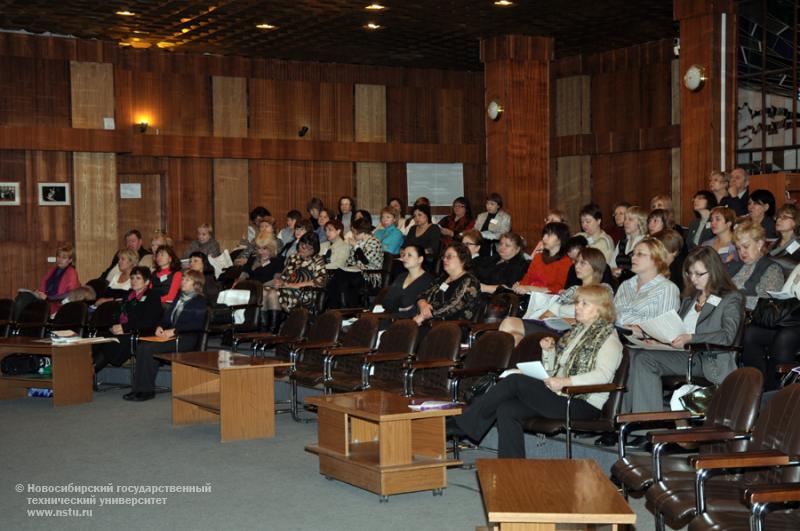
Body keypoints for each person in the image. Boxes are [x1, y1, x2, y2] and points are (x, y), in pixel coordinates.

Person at [447, 285, 623, 458]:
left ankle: (464, 424)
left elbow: (603, 375)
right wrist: (549, 352)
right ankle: (511, 469)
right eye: (578, 303)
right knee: (507, 408)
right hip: (561, 395)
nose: (577, 307)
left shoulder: (609, 338)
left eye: (585, 304)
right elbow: (554, 370)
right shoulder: (575, 333)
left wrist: (565, 382)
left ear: (600, 309)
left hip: (582, 404)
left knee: (514, 381)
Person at [625, 246, 744, 414]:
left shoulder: (730, 298)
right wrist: (657, 339)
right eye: (690, 273)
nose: (693, 279)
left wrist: (691, 338)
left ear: (714, 271)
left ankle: (647, 424)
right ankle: (627, 420)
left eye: (698, 274)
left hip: (707, 359)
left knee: (644, 359)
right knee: (632, 354)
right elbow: (676, 329)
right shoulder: (690, 299)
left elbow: (727, 336)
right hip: (684, 354)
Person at [123, 270, 207, 402]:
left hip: (186, 339)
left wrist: (174, 331)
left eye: (187, 280)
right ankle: (138, 389)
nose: (182, 282)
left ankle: (146, 391)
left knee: (149, 349)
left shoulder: (199, 301)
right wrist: (160, 327)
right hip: (172, 337)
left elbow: (196, 324)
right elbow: (166, 318)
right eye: (183, 279)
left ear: (196, 284)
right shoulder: (179, 297)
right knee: (143, 347)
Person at [500, 247, 611, 344]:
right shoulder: (572, 290)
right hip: (551, 327)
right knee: (515, 336)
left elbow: (599, 319)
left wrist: (562, 320)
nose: (577, 266)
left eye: (583, 263)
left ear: (595, 266)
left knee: (509, 323)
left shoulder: (603, 289)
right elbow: (546, 315)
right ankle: (511, 367)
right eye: (576, 262)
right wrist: (549, 320)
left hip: (570, 333)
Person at [92, 266, 162, 374]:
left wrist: (124, 327)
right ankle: (87, 370)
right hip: (122, 331)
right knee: (100, 337)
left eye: (138, 278)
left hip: (138, 333)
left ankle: (89, 372)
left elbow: (149, 321)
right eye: (132, 278)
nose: (134, 281)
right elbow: (117, 314)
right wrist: (113, 326)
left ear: (147, 281)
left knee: (110, 342)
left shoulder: (152, 296)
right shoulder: (128, 296)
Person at [741, 262, 800, 390]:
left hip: (793, 328)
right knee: (751, 333)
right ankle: (757, 384)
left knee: (785, 336)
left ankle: (774, 390)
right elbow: (786, 293)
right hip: (790, 321)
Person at [614, 238, 680, 326]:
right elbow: (612, 314)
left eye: (640, 254)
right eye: (633, 254)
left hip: (642, 339)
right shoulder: (625, 285)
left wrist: (636, 329)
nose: (633, 257)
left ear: (656, 258)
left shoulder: (667, 289)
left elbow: (665, 327)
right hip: (615, 332)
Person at [413, 242, 482, 326]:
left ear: (462, 259)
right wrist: (423, 304)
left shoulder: (470, 281)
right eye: (444, 257)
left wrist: (424, 316)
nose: (444, 259)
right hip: (428, 322)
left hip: (452, 328)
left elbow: (454, 305)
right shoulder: (442, 278)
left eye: (449, 257)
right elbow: (423, 294)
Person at [265, 232, 327, 315]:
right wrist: (280, 282)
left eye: (306, 247)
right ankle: (264, 325)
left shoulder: (317, 260)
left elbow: (321, 281)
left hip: (304, 294)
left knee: (273, 293)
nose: (302, 249)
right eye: (301, 245)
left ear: (313, 249)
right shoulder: (293, 257)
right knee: (264, 291)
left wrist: (296, 285)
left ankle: (273, 327)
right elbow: (284, 277)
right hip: (286, 289)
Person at [327, 218, 383, 309]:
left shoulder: (374, 242)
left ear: (360, 232)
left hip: (369, 275)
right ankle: (337, 307)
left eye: (354, 232)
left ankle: (346, 308)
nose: (353, 234)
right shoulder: (359, 242)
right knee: (337, 275)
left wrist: (356, 246)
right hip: (357, 272)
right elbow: (350, 261)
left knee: (344, 279)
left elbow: (366, 261)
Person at [728, 221, 784, 310]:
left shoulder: (772, 269)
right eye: (738, 248)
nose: (742, 252)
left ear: (759, 244)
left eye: (746, 246)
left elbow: (766, 305)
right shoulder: (734, 265)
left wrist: (731, 300)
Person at [513, 222, 572, 295]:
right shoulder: (538, 257)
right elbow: (528, 277)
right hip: (530, 296)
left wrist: (529, 288)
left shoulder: (566, 261)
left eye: (549, 235)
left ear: (560, 239)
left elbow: (558, 288)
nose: (544, 238)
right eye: (544, 234)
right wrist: (519, 285)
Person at [381, 244, 434, 318]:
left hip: (410, 322)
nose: (404, 258)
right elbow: (386, 302)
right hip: (391, 317)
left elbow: (413, 306)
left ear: (420, 259)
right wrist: (400, 308)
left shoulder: (428, 280)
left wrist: (396, 304)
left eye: (409, 255)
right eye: (404, 255)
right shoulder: (401, 276)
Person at [35, 243, 80, 315]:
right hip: (46, 301)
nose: (60, 260)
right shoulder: (52, 270)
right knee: (24, 297)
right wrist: (39, 292)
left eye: (64, 258)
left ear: (70, 260)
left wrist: (48, 298)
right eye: (58, 256)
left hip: (59, 304)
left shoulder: (71, 273)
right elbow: (43, 287)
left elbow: (71, 295)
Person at [610, 206, 647, 283]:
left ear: (640, 222)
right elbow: (611, 265)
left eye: (630, 219)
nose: (625, 222)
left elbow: (646, 269)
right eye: (625, 219)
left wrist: (623, 273)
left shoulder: (646, 242)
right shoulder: (622, 243)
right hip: (620, 285)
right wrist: (613, 270)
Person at [403, 203, 441, 272]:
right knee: (396, 263)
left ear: (427, 215)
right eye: (414, 216)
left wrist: (416, 254)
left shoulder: (434, 228)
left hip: (425, 260)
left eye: (419, 215)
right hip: (410, 257)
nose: (416, 218)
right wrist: (403, 253)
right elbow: (405, 245)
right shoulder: (413, 228)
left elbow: (432, 249)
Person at [769, 203, 800, 272]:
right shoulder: (772, 244)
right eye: (778, 217)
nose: (779, 220)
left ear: (795, 222)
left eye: (784, 217)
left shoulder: (798, 245)